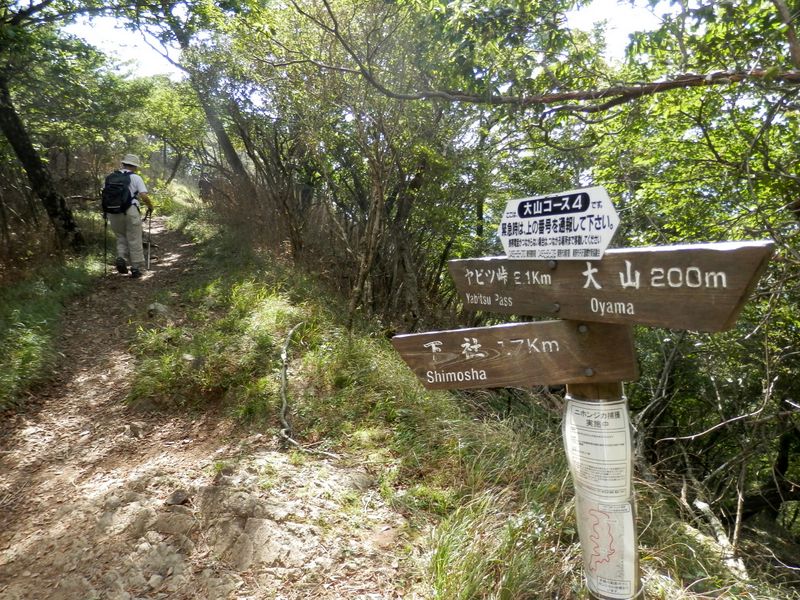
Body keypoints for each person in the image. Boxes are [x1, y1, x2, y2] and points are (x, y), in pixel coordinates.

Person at [107, 154, 154, 279]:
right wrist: (150, 206)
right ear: (135, 166)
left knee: (120, 237)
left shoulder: (111, 177)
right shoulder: (136, 177)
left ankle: (121, 257)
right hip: (130, 210)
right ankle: (135, 268)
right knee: (134, 238)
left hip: (113, 212)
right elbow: (143, 196)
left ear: (123, 164)